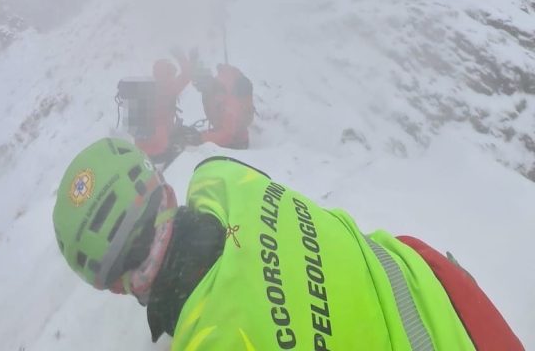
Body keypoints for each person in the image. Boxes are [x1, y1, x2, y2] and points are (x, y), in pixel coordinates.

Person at [53, 138, 525, 350]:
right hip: (457, 306)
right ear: (168, 191)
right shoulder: (220, 178)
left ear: (115, 288)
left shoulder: (212, 343)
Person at [135, 50, 193, 167]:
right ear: (168, 73)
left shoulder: (148, 92)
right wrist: (180, 55)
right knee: (189, 139)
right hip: (160, 150)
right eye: (172, 72)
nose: (174, 75)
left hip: (142, 153)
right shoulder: (168, 88)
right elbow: (187, 75)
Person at [193, 60, 254, 149]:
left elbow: (227, 136)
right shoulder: (209, 94)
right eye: (196, 85)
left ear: (208, 79)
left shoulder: (225, 97)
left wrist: (200, 139)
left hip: (236, 144)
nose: (198, 88)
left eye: (200, 84)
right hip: (225, 137)